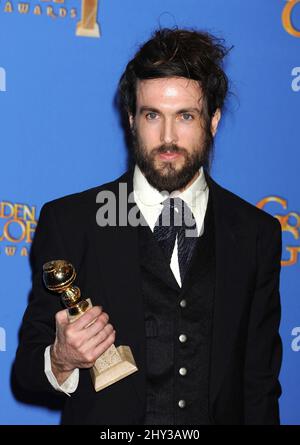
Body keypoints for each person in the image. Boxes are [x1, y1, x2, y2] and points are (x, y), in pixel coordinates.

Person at [14, 28, 282, 425]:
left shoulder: (255, 232)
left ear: (213, 121)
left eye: (186, 116)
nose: (168, 137)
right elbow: (25, 376)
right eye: (152, 115)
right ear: (131, 119)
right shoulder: (71, 222)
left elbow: (259, 387)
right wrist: (60, 357)